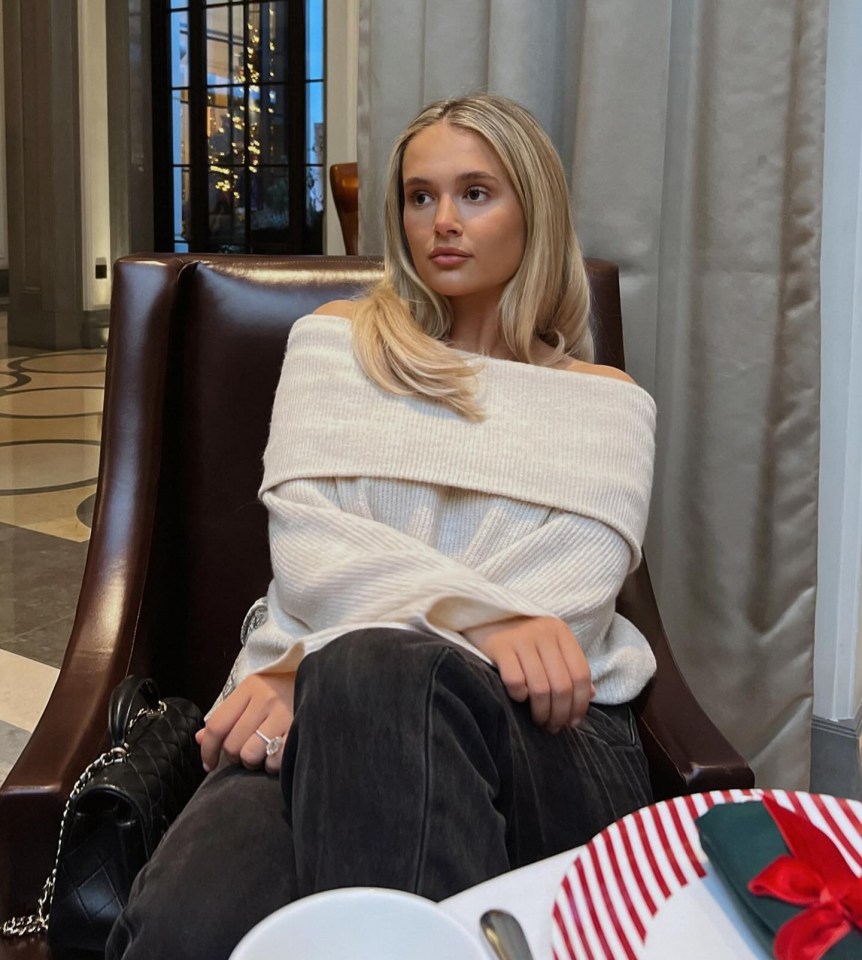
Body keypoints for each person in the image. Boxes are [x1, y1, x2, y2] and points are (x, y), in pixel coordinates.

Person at [106, 92, 657, 959]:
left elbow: (566, 603)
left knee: (372, 669)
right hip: (298, 697)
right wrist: (473, 622)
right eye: (419, 195)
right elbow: (313, 551)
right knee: (187, 927)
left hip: (546, 741)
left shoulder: (607, 403)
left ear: (535, 209)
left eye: (476, 193)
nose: (443, 220)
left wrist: (326, 662)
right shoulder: (335, 345)